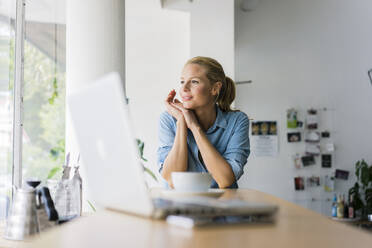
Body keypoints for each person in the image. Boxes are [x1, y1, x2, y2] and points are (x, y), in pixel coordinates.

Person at [157, 56, 250, 189]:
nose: (184, 88)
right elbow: (172, 180)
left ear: (215, 88)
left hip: (222, 206)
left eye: (194, 81)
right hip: (178, 205)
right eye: (182, 81)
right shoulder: (169, 119)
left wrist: (195, 128)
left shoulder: (237, 121)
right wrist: (182, 122)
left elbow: (225, 180)